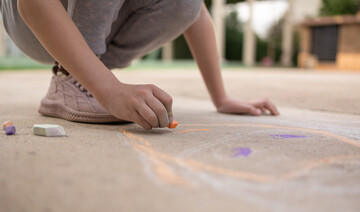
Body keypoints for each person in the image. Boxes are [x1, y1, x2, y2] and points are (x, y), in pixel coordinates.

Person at [1, 0, 279, 130]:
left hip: (92, 35)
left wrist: (221, 98)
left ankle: (88, 69)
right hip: (32, 19)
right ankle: (69, 77)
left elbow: (198, 12)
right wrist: (109, 90)